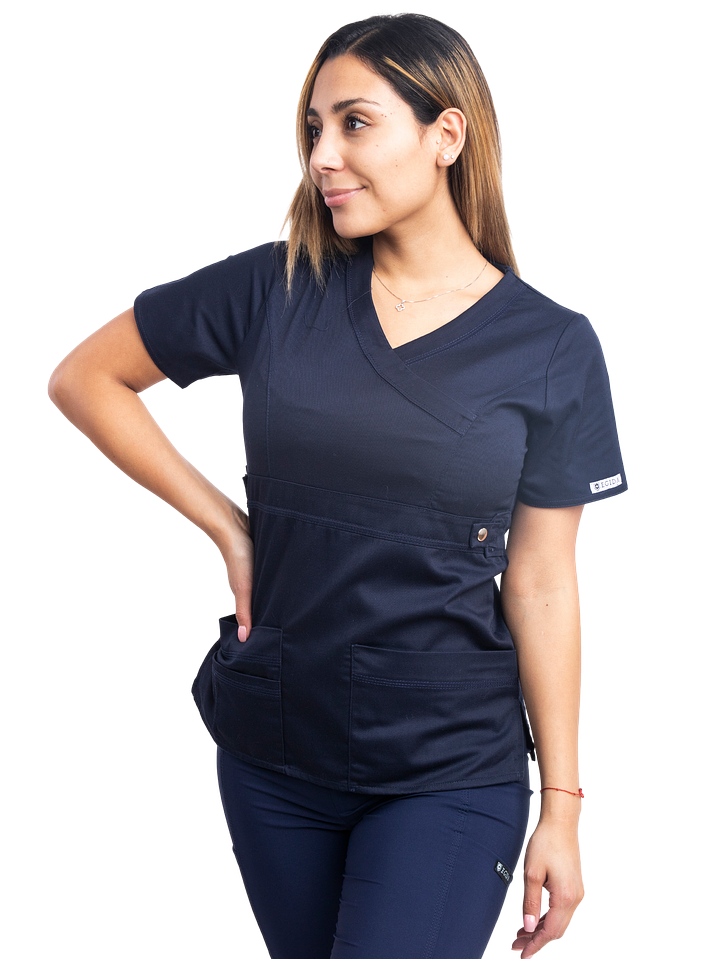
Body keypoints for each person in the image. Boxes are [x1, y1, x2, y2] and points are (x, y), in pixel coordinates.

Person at [46, 13, 627, 959]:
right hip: (273, 749)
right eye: (313, 128)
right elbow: (85, 377)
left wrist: (562, 807)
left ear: (446, 135)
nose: (323, 156)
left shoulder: (552, 345)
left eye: (355, 123)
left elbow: (542, 580)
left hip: (446, 765)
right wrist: (226, 525)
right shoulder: (274, 285)